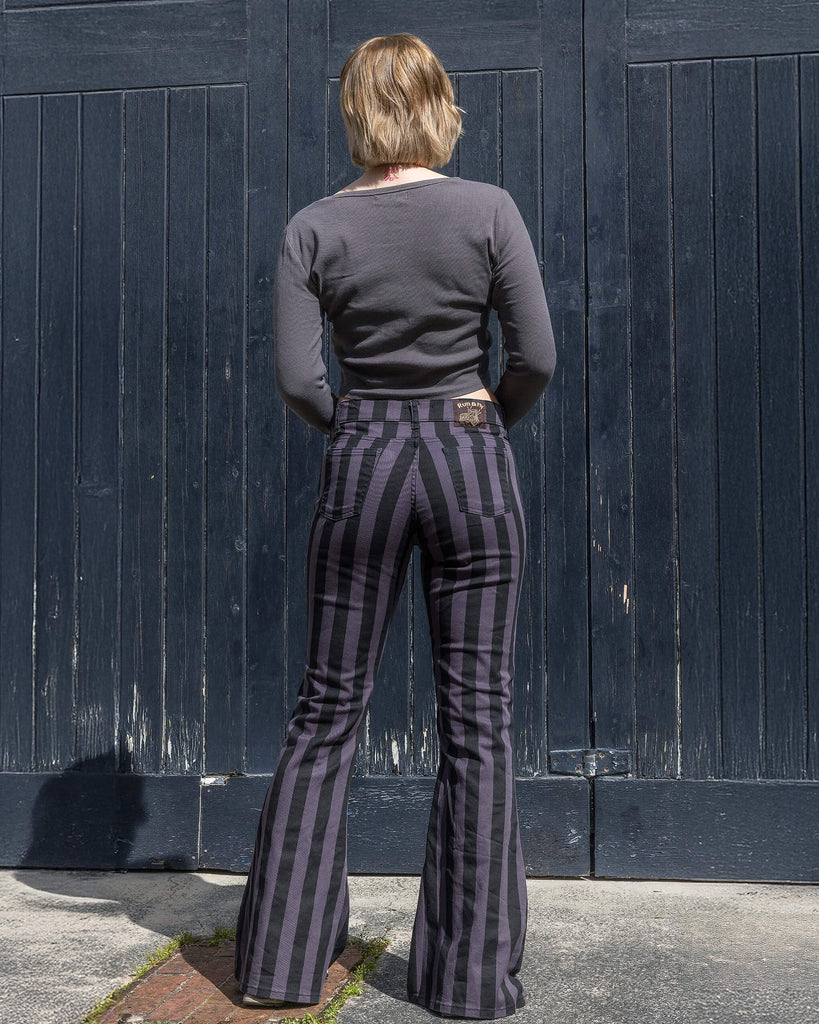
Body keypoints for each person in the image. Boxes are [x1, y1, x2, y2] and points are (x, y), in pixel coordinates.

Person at [233, 32, 556, 1021]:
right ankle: (467, 981)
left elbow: (298, 378)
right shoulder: (489, 209)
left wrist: (364, 424)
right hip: (470, 447)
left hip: (365, 453)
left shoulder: (313, 228)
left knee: (328, 709)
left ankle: (281, 967)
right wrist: (481, 416)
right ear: (438, 106)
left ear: (355, 113)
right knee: (480, 722)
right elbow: (534, 355)